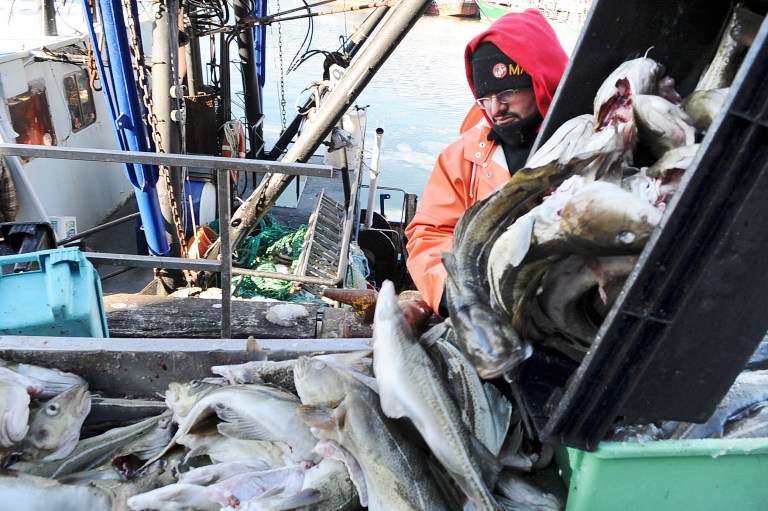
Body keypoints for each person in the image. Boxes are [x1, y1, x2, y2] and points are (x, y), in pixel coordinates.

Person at [404, 9, 569, 317]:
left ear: (538, 79)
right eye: (484, 98)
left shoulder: (588, 136)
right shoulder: (460, 157)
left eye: (507, 92)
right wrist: (453, 293)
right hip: (491, 309)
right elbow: (428, 234)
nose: (496, 108)